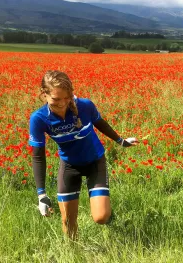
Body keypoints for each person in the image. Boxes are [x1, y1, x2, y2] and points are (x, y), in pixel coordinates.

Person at [28, 70, 138, 239]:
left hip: (95, 161)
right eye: (56, 100)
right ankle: (73, 253)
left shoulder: (85, 105)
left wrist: (121, 141)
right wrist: (41, 195)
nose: (62, 104)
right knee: (67, 221)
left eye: (66, 98)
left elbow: (100, 123)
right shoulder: (39, 118)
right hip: (69, 166)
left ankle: (107, 212)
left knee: (101, 217)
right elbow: (38, 156)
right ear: (44, 95)